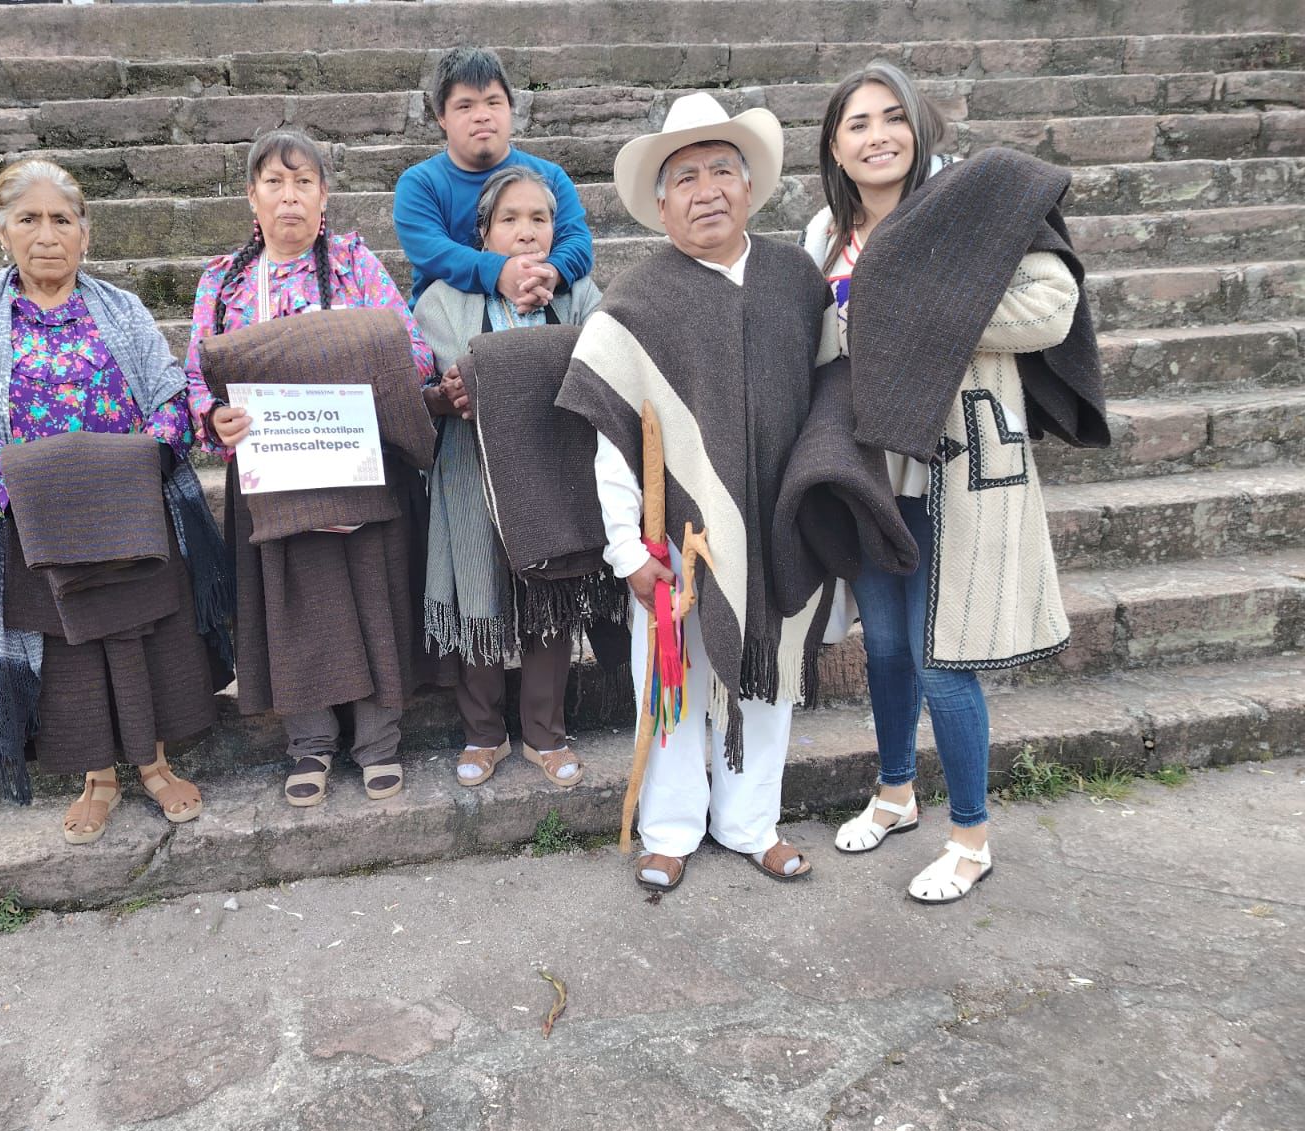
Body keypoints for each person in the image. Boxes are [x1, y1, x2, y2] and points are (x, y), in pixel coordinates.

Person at [804, 63, 1104, 903]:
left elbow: (1052, 308)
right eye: (857, 123)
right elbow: (823, 344)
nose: (877, 136)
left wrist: (915, 315)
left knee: (945, 660)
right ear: (834, 144)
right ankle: (896, 791)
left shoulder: (973, 209)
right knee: (888, 647)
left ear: (920, 127)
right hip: (869, 468)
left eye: (893, 117)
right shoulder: (822, 233)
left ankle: (970, 838)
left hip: (956, 465)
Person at [556, 93, 843, 894]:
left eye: (723, 170)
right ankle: (672, 829)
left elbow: (831, 402)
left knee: (769, 677)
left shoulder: (796, 282)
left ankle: (753, 823)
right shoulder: (633, 307)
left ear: (751, 187)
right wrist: (625, 554)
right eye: (686, 177)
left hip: (780, 528)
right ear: (660, 203)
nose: (707, 189)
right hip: (676, 546)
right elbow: (613, 443)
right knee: (676, 687)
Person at [0, 159, 227, 845]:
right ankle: (99, 778)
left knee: (134, 636)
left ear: (85, 233)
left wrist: (143, 465)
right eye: (28, 219)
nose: (47, 234)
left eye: (62, 219)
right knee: (71, 654)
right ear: (1, 232)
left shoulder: (119, 309)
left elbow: (170, 396)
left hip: (126, 512)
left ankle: (153, 764)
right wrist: (11, 487)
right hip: (36, 522)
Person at [184, 130, 435, 810]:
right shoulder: (226, 279)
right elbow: (197, 377)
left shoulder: (356, 265)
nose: (289, 195)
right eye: (274, 182)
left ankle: (379, 742)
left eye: (303, 182)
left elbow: (409, 353)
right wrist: (215, 419)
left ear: (324, 197)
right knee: (290, 604)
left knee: (371, 595)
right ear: (251, 197)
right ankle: (311, 744)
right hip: (271, 474)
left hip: (357, 460)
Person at [413, 165, 604, 788]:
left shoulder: (578, 296)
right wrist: (448, 395)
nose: (526, 232)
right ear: (484, 232)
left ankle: (545, 735)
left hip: (552, 471)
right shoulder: (444, 299)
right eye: (510, 220)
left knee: (551, 595)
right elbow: (432, 387)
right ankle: (483, 735)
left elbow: (602, 361)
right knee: (479, 593)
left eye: (540, 219)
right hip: (473, 470)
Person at [394, 45, 593, 310]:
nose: (482, 116)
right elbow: (434, 252)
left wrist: (551, 274)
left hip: (541, 312)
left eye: (493, 102)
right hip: (449, 324)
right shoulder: (419, 185)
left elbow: (578, 242)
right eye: (465, 106)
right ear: (441, 117)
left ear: (511, 107)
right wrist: (500, 272)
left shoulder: (550, 177)